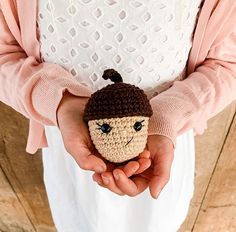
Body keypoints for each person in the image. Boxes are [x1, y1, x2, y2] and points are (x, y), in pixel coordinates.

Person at [0, 0, 236, 231]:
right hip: (71, 149)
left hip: (163, 147)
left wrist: (168, 115)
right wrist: (62, 102)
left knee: (161, 222)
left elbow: (226, 63)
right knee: (77, 221)